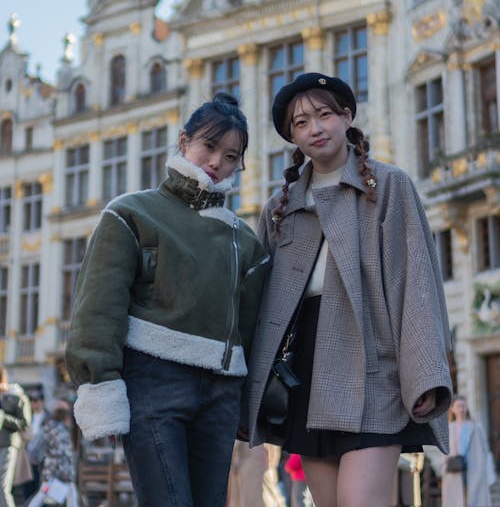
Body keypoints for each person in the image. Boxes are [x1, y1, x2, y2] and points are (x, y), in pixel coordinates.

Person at [245, 73, 453, 507]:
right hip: (306, 372)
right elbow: (259, 305)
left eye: (324, 115)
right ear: (292, 136)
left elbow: (415, 283)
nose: (315, 128)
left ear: (347, 117)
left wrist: (425, 372)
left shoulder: (388, 185)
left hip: (374, 368)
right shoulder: (280, 207)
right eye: (301, 123)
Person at [66, 92, 269, 507]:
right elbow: (98, 308)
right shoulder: (130, 213)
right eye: (209, 147)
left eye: (231, 156)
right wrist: (100, 382)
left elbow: (253, 329)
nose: (217, 163)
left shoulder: (244, 240)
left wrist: (249, 402)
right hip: (153, 383)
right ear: (184, 142)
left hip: (221, 392)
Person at [441, 395, 495, 507]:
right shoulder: (449, 428)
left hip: (473, 468)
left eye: (463, 406)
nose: (461, 409)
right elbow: (443, 451)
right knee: (456, 499)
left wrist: (488, 472)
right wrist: (443, 466)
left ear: (467, 408)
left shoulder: (476, 427)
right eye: (458, 406)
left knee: (475, 498)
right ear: (453, 409)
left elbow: (485, 450)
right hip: (453, 468)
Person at [27, 400, 77, 507]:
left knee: (44, 494)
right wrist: (37, 461)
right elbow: (34, 448)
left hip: (52, 472)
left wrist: (38, 462)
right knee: (70, 496)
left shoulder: (50, 427)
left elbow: (34, 447)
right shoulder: (58, 428)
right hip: (61, 472)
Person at [0, 366, 31, 507]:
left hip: (8, 445)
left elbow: (25, 423)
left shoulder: (17, 396)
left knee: (2, 488)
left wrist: (3, 418)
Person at [23, 390, 49, 500]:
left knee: (43, 485)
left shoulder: (49, 417)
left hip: (44, 456)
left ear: (42, 401)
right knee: (29, 484)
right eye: (31, 400)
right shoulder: (26, 416)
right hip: (28, 455)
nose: (33, 403)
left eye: (36, 400)